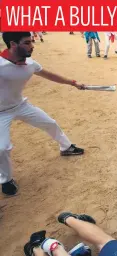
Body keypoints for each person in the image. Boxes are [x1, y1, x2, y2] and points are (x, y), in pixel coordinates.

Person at [0, 32, 84, 196]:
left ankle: (66, 147)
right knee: (2, 148)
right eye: (27, 43)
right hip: (0, 113)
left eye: (32, 41)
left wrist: (73, 83)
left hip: (20, 105)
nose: (32, 46)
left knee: (50, 123)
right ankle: (6, 179)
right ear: (13, 44)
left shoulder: (30, 63)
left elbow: (49, 75)